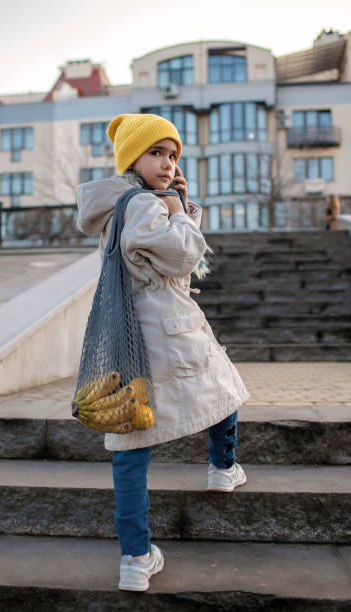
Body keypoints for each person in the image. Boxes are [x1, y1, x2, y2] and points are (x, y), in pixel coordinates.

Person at [76, 113, 250, 592]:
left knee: (131, 442)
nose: (168, 163)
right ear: (131, 158)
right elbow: (185, 257)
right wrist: (178, 208)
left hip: (132, 334)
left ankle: (135, 556)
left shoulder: (122, 205)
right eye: (156, 153)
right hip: (167, 330)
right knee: (225, 390)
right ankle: (222, 467)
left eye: (173, 155)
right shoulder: (141, 205)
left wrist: (177, 204)